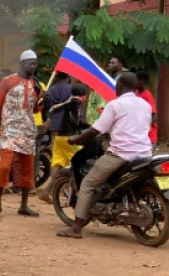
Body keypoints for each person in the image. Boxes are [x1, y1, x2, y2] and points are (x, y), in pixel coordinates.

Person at [56, 73, 152, 239]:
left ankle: (76, 228)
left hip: (121, 155)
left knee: (87, 184)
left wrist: (76, 139)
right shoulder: (145, 105)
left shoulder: (115, 105)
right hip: (145, 154)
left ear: (120, 85)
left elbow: (95, 130)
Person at [0, 50, 42, 218]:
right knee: (4, 167)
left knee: (27, 169)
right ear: (21, 64)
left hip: (27, 130)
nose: (33, 67)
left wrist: (41, 101)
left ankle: (24, 205)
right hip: (9, 129)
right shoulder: (7, 81)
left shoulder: (36, 84)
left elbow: (34, 109)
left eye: (35, 63)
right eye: (29, 63)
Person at [38, 75, 85, 204]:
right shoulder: (74, 102)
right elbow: (57, 108)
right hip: (68, 138)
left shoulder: (70, 100)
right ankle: (77, 192)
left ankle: (47, 191)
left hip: (59, 136)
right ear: (82, 95)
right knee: (80, 163)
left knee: (58, 164)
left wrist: (49, 117)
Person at [86, 54, 126, 125]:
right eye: (109, 63)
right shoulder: (108, 80)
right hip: (101, 117)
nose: (109, 65)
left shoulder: (122, 81)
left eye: (113, 63)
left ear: (120, 65)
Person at [134, 71, 158, 150]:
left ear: (142, 82)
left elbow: (154, 116)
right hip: (138, 135)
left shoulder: (147, 96)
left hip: (148, 135)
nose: (134, 82)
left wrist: (144, 128)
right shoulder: (135, 93)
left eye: (136, 80)